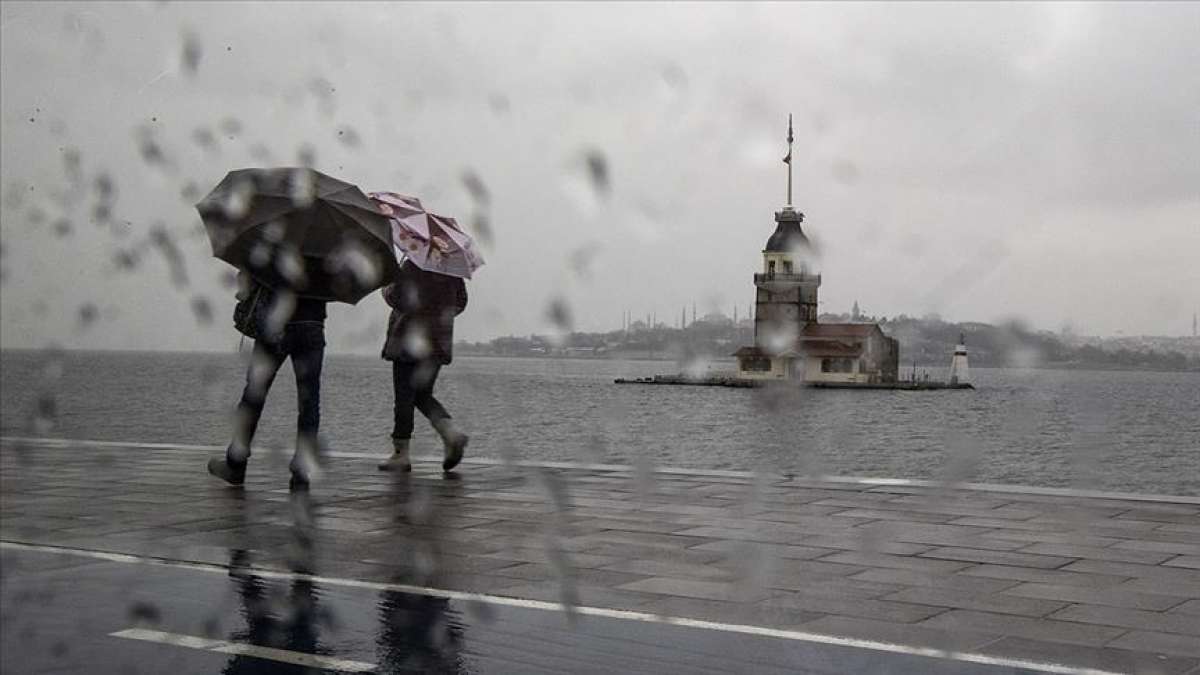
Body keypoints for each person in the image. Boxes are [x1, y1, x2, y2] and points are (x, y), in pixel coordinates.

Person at [208, 271, 328, 489]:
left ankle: (236, 463)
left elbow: (250, 278)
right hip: (312, 324)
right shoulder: (328, 244)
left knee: (254, 395)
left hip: (276, 324)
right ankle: (301, 472)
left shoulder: (276, 239)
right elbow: (334, 287)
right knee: (309, 401)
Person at [377, 260, 469, 473]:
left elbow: (399, 298)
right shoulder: (451, 269)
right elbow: (461, 302)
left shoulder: (411, 265)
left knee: (404, 397)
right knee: (421, 394)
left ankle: (401, 454)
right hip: (437, 342)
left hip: (408, 341)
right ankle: (451, 433)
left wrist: (386, 289)